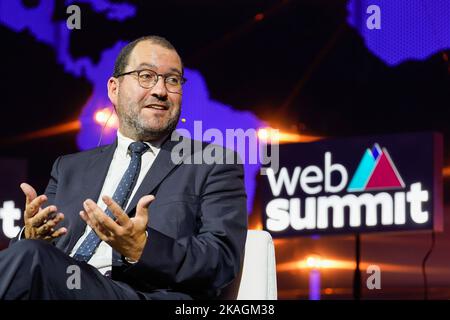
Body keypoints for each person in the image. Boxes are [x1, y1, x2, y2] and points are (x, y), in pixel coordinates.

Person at [0, 35, 248, 300]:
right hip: (60, 289)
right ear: (114, 89)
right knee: (31, 252)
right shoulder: (69, 168)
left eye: (172, 80)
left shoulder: (211, 161)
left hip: (141, 295)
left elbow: (221, 261)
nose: (160, 90)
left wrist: (142, 248)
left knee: (31, 256)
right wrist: (31, 235)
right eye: (146, 76)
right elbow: (33, 257)